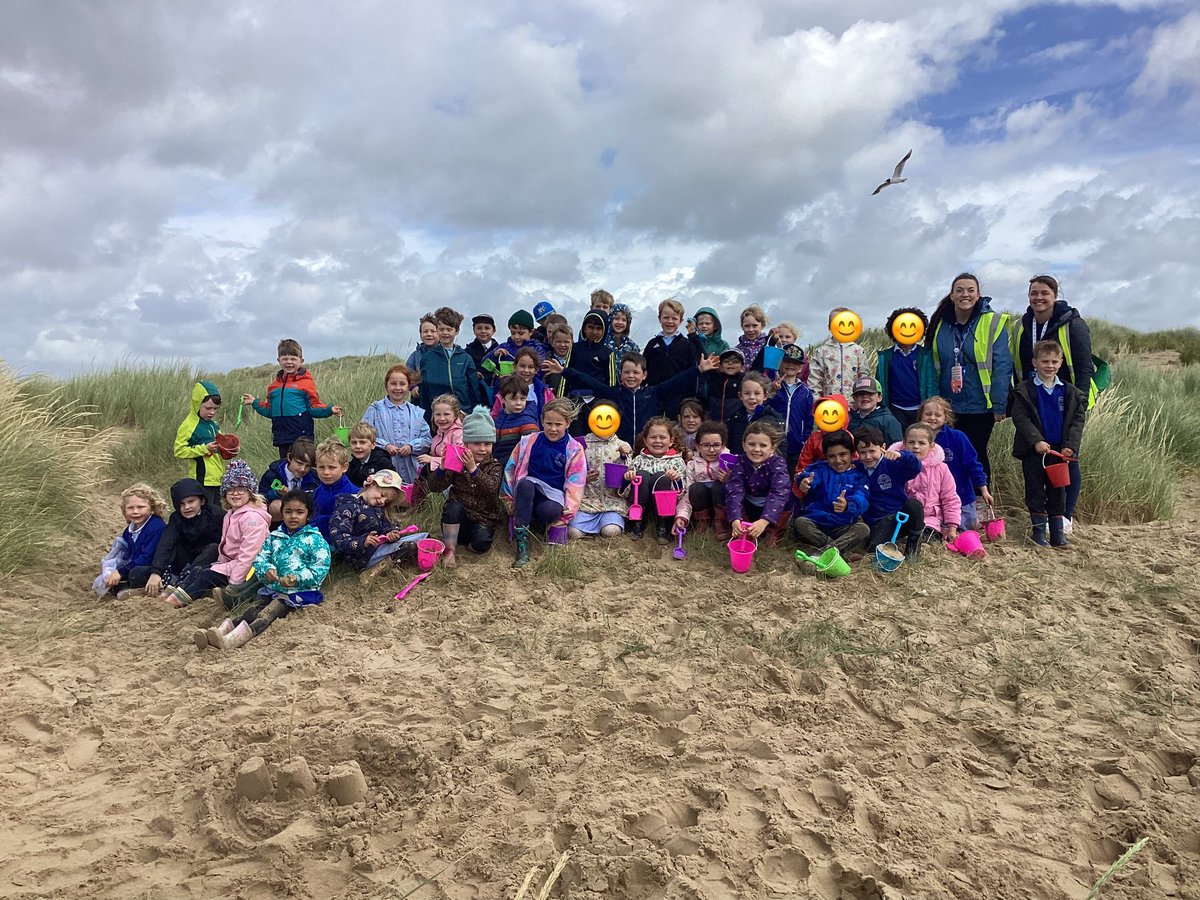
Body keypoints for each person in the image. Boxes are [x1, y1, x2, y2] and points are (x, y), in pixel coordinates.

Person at [1011, 274, 1096, 533]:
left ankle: (1065, 516)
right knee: (1038, 457)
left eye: (1044, 293)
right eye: (1034, 293)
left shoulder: (1073, 324)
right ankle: (1043, 516)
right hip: (1035, 398)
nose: (1038, 298)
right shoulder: (1023, 325)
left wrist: (1078, 401)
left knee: (1068, 456)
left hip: (1066, 398)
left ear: (1054, 295)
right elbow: (1019, 362)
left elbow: (1083, 367)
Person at [196, 490, 331, 651]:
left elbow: (320, 569)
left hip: (299, 592)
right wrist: (267, 569)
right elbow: (260, 559)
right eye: (288, 512)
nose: (293, 516)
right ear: (282, 514)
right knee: (252, 609)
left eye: (299, 512)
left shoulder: (314, 539)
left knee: (269, 612)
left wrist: (297, 578)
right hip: (272, 588)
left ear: (308, 515)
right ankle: (220, 632)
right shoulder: (274, 537)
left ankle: (234, 640)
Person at [927, 273, 1013, 478]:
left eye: (970, 290)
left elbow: (1002, 365)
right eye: (960, 290)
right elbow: (933, 365)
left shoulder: (993, 322)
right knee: (947, 455)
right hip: (949, 406)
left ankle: (982, 503)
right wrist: (934, 404)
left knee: (976, 454)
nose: (965, 294)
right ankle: (952, 504)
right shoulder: (940, 324)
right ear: (952, 295)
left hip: (981, 405)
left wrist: (999, 404)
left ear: (978, 295)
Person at [160, 459, 271, 608]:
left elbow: (249, 555)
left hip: (251, 570)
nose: (235, 493)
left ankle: (177, 601)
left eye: (241, 489)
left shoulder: (252, 518)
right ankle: (179, 591)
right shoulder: (231, 514)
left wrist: (235, 584)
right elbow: (226, 549)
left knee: (207, 575)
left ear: (250, 492)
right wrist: (219, 564)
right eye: (230, 489)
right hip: (232, 564)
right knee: (200, 569)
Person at [543, 351, 718, 445]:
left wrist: (698, 370)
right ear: (621, 375)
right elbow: (590, 382)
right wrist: (564, 371)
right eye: (627, 372)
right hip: (620, 447)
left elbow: (676, 381)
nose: (631, 376)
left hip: (647, 447)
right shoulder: (614, 393)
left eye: (636, 372)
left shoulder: (653, 393)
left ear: (644, 375)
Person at [1010, 340, 1087, 549]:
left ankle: (1057, 535)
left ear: (1061, 362)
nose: (1049, 365)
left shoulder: (1070, 392)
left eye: (1054, 361)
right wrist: (1036, 441)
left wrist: (1070, 445)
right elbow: (1020, 417)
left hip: (1059, 452)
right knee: (1035, 491)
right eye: (1044, 361)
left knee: (1058, 492)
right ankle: (1038, 534)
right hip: (1034, 452)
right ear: (1035, 362)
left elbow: (1077, 421)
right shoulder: (1024, 390)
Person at [502, 399, 588, 568]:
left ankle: (537, 523)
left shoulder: (574, 448)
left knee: (550, 511)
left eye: (558, 424)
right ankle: (522, 545)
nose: (553, 429)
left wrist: (566, 516)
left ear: (568, 423)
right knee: (525, 485)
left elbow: (575, 484)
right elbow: (510, 469)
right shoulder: (528, 441)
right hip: (527, 490)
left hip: (552, 496)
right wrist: (507, 499)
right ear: (541, 421)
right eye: (548, 423)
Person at [242, 338, 342, 459]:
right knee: (286, 468)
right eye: (285, 359)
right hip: (282, 437)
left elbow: (314, 407)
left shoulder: (306, 383)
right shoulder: (273, 387)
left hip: (302, 437)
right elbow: (270, 411)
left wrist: (330, 409)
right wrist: (254, 402)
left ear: (301, 361)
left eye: (293, 359)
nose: (289, 362)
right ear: (279, 361)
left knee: (304, 466)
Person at [429, 407, 505, 566]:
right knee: (453, 506)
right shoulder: (457, 460)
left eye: (487, 444)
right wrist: (442, 469)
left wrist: (473, 469)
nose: (482, 449)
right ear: (466, 443)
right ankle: (450, 549)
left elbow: (490, 488)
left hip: (484, 518)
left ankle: (467, 543)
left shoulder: (494, 465)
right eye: (476, 443)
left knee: (481, 544)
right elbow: (435, 487)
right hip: (458, 517)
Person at [791, 431, 869, 563]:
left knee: (863, 529)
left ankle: (823, 553)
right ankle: (841, 552)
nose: (838, 460)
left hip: (842, 526)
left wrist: (847, 505)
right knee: (800, 523)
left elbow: (862, 498)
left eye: (843, 454)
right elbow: (809, 476)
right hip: (816, 523)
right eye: (832, 456)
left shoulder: (859, 476)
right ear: (826, 457)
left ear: (852, 454)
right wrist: (804, 482)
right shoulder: (820, 469)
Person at [918, 396, 992, 530]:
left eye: (938, 415)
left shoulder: (957, 437)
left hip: (961, 495)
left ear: (946, 418)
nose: (932, 418)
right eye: (928, 414)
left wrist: (984, 490)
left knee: (965, 529)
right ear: (921, 416)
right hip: (932, 500)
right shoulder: (916, 439)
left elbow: (973, 465)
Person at [143, 478, 224, 598]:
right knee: (138, 573)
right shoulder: (176, 518)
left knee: (214, 548)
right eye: (181, 504)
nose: (187, 507)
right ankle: (158, 586)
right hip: (182, 563)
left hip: (207, 564)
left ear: (202, 501)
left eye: (191, 502)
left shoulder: (217, 514)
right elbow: (166, 544)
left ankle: (180, 585)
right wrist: (156, 572)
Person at [328, 469, 420, 574]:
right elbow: (338, 537)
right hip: (361, 557)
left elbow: (389, 524)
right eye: (382, 494)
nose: (382, 501)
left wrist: (392, 532)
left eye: (387, 501)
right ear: (371, 484)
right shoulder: (347, 507)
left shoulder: (379, 508)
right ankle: (377, 569)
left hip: (380, 547)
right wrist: (363, 542)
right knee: (409, 546)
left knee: (423, 538)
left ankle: (391, 564)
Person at [853, 427, 924, 557]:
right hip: (877, 521)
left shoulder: (892, 464)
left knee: (914, 505)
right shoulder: (856, 469)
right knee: (873, 549)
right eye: (863, 452)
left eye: (872, 451)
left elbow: (916, 467)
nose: (868, 456)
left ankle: (913, 548)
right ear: (857, 452)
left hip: (898, 513)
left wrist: (902, 455)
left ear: (882, 447)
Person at [723, 420, 792, 546]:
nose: (756, 449)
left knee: (787, 497)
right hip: (750, 504)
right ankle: (741, 528)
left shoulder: (778, 464)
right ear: (744, 445)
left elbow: (779, 492)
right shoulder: (740, 463)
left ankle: (773, 531)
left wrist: (765, 520)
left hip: (770, 506)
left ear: (773, 447)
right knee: (726, 490)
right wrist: (735, 519)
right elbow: (735, 491)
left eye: (763, 445)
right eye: (751, 444)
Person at [361, 363, 432, 485]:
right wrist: (385, 445)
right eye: (393, 383)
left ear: (409, 386)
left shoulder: (417, 412)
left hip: (412, 468)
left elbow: (427, 439)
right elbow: (363, 436)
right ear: (386, 385)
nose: (398, 388)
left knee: (413, 499)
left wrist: (411, 447)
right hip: (383, 467)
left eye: (402, 384)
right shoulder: (375, 409)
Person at [893, 423, 959, 544]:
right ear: (904, 443)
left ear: (931, 445)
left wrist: (952, 527)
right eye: (911, 442)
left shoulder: (941, 468)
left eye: (922, 443)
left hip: (930, 520)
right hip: (900, 518)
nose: (916, 447)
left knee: (927, 539)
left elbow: (950, 498)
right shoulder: (894, 465)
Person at [98, 484, 168, 599]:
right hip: (138, 564)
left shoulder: (156, 527)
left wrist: (121, 572)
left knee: (136, 573)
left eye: (141, 507)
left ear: (152, 508)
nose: (135, 511)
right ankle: (127, 587)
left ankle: (146, 590)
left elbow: (147, 557)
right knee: (117, 574)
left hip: (157, 568)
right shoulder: (129, 530)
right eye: (130, 508)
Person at [413, 306, 484, 420]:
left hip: (461, 415)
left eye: (449, 329)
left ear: (457, 331)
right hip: (437, 416)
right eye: (441, 329)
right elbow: (424, 390)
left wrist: (471, 413)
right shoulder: (427, 358)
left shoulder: (465, 358)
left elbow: (474, 390)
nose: (445, 333)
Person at [625, 417, 689, 543]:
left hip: (664, 507)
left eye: (662, 437)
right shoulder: (638, 460)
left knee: (663, 477)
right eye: (653, 437)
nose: (658, 441)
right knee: (641, 475)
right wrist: (628, 478)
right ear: (645, 440)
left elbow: (682, 492)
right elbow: (626, 491)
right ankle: (637, 523)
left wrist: (676, 479)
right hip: (642, 504)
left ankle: (663, 525)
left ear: (671, 441)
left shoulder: (677, 462)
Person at [572, 411, 632, 540]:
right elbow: (570, 473)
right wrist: (583, 478)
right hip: (586, 503)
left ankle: (608, 525)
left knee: (611, 531)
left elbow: (630, 474)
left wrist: (623, 456)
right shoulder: (579, 443)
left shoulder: (623, 445)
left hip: (612, 504)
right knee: (572, 532)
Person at [878, 307, 937, 431]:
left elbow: (932, 384)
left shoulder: (925, 355)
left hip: (919, 410)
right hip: (895, 410)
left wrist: (931, 408)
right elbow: (880, 384)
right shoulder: (885, 357)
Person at [643, 298, 702, 418]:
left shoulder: (687, 345)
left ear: (681, 321)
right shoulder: (652, 344)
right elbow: (644, 369)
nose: (670, 321)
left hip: (678, 396)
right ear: (659, 318)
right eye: (666, 317)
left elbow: (695, 368)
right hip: (655, 395)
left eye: (674, 318)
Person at [174, 380, 225, 507]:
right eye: (208, 408)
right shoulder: (189, 425)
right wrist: (204, 449)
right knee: (204, 515)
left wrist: (229, 449)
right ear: (197, 404)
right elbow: (179, 451)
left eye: (215, 409)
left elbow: (218, 447)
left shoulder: (214, 425)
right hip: (201, 480)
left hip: (217, 479)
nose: (212, 412)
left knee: (217, 514)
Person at [767, 344, 814, 474]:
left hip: (796, 444)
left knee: (793, 475)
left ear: (800, 368)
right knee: (775, 475)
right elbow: (765, 407)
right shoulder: (772, 386)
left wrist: (804, 440)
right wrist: (772, 391)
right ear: (780, 363)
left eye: (795, 363)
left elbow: (809, 419)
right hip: (774, 442)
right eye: (787, 361)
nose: (791, 365)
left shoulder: (806, 392)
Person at [807, 308, 871, 399]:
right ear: (829, 326)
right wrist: (817, 402)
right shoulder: (821, 352)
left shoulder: (858, 351)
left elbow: (864, 378)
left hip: (853, 406)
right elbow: (814, 381)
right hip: (829, 405)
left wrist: (861, 403)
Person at [685, 420, 731, 536]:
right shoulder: (692, 465)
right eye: (706, 445)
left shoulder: (729, 462)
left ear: (723, 445)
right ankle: (702, 522)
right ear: (697, 446)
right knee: (695, 488)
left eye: (716, 445)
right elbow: (688, 492)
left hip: (721, 504)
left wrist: (729, 479)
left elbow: (739, 488)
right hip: (701, 504)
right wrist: (682, 516)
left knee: (718, 485)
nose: (711, 450)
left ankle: (721, 522)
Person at [258, 436, 318, 523]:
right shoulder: (273, 474)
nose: (303, 469)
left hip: (305, 516)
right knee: (276, 506)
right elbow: (260, 498)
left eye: (308, 466)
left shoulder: (314, 477)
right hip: (278, 518)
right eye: (299, 463)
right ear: (289, 457)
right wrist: (276, 493)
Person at [490, 346, 556, 423]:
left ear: (537, 370)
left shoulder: (545, 392)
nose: (526, 370)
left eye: (531, 367)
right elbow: (494, 416)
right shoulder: (506, 389)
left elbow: (554, 414)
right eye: (522, 366)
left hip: (536, 432)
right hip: (508, 432)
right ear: (514, 366)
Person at [725, 372, 784, 456]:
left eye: (757, 393)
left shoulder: (773, 420)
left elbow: (781, 450)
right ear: (740, 395)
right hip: (739, 466)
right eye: (747, 393)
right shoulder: (734, 418)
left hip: (764, 467)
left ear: (765, 395)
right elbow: (730, 446)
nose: (752, 397)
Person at [311, 436, 358, 540]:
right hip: (317, 539)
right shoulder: (318, 492)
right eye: (321, 467)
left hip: (341, 542)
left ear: (344, 467)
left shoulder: (353, 494)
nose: (326, 472)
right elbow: (314, 517)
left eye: (332, 467)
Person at [492, 374, 542, 462]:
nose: (519, 403)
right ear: (502, 399)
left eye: (522, 399)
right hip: (497, 464)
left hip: (515, 467)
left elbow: (534, 448)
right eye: (513, 399)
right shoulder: (500, 418)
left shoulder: (527, 422)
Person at [483, 310, 549, 374]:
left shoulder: (538, 349)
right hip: (504, 384)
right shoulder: (504, 347)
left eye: (521, 333)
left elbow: (541, 372)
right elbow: (483, 365)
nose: (516, 337)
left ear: (531, 332)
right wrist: (494, 355)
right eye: (513, 333)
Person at [848, 377, 903, 445]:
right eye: (860, 394)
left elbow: (896, 447)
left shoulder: (888, 420)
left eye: (870, 393)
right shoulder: (849, 419)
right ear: (854, 399)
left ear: (879, 397)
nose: (865, 396)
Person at [417, 394, 465, 472]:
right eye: (438, 414)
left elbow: (458, 462)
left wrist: (432, 460)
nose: (442, 418)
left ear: (455, 415)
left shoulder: (459, 435)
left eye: (446, 414)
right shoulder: (438, 434)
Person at [699, 348, 745, 422]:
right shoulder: (713, 377)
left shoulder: (745, 381)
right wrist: (693, 337)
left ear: (742, 366)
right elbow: (700, 354)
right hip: (713, 422)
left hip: (736, 424)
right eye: (726, 361)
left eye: (735, 361)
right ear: (720, 366)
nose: (730, 363)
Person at [345, 422, 395, 487]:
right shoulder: (351, 466)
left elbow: (394, 480)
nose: (357, 446)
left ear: (373, 445)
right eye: (354, 442)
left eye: (362, 442)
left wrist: (378, 480)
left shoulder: (383, 461)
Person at [734, 305, 770, 371]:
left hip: (765, 380)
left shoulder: (768, 346)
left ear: (762, 325)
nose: (751, 329)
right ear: (742, 327)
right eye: (747, 326)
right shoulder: (737, 350)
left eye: (754, 325)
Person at [543, 322, 575, 397]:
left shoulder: (576, 361)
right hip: (552, 401)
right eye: (558, 342)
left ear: (572, 343)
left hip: (572, 402)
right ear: (552, 342)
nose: (562, 345)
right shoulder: (546, 361)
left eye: (566, 342)